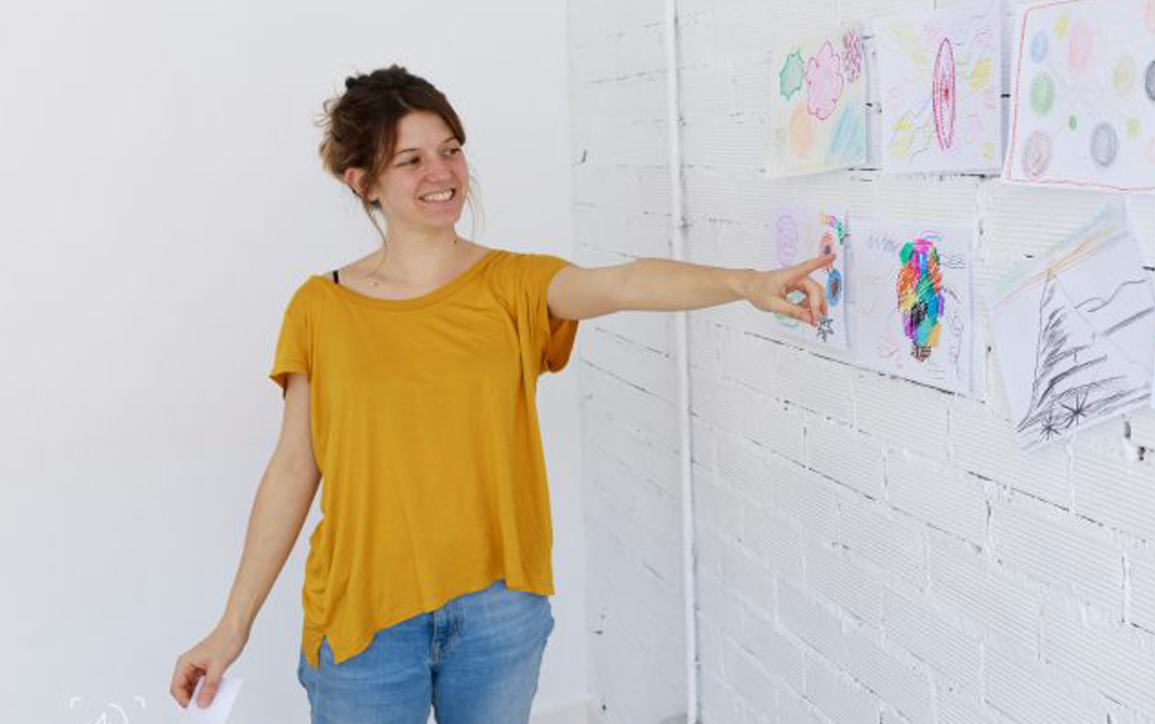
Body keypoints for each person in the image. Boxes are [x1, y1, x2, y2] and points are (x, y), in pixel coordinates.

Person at [169, 64, 832, 724]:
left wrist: (747, 283)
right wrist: (233, 626)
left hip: (498, 611)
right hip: (362, 617)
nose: (442, 173)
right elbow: (294, 468)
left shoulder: (513, 285)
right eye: (411, 160)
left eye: (451, 149)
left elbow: (625, 284)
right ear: (362, 181)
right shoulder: (320, 309)